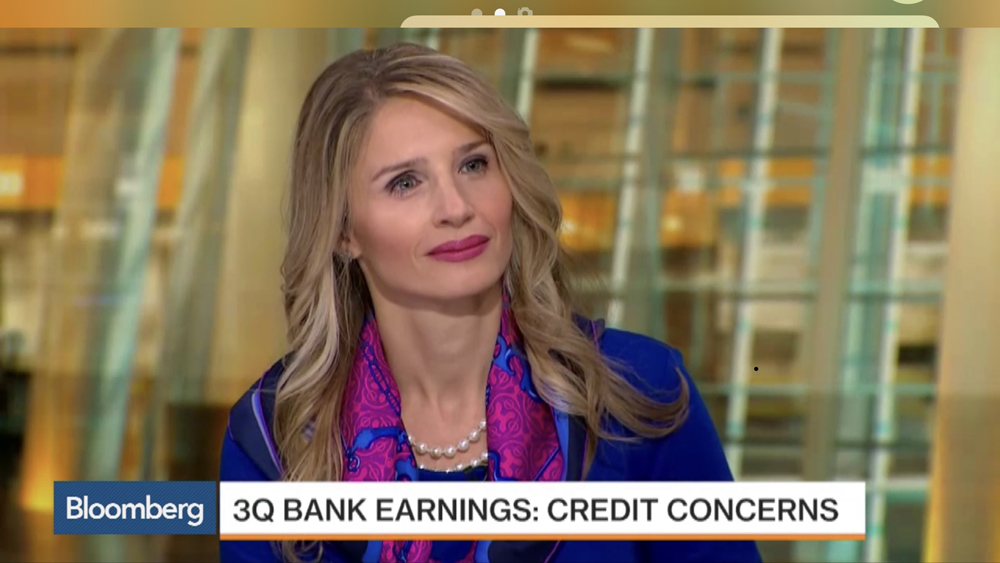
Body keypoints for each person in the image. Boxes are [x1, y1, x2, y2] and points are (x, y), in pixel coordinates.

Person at [219, 42, 763, 563]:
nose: (456, 207)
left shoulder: (638, 393)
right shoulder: (275, 436)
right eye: (405, 183)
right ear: (343, 231)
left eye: (474, 165)